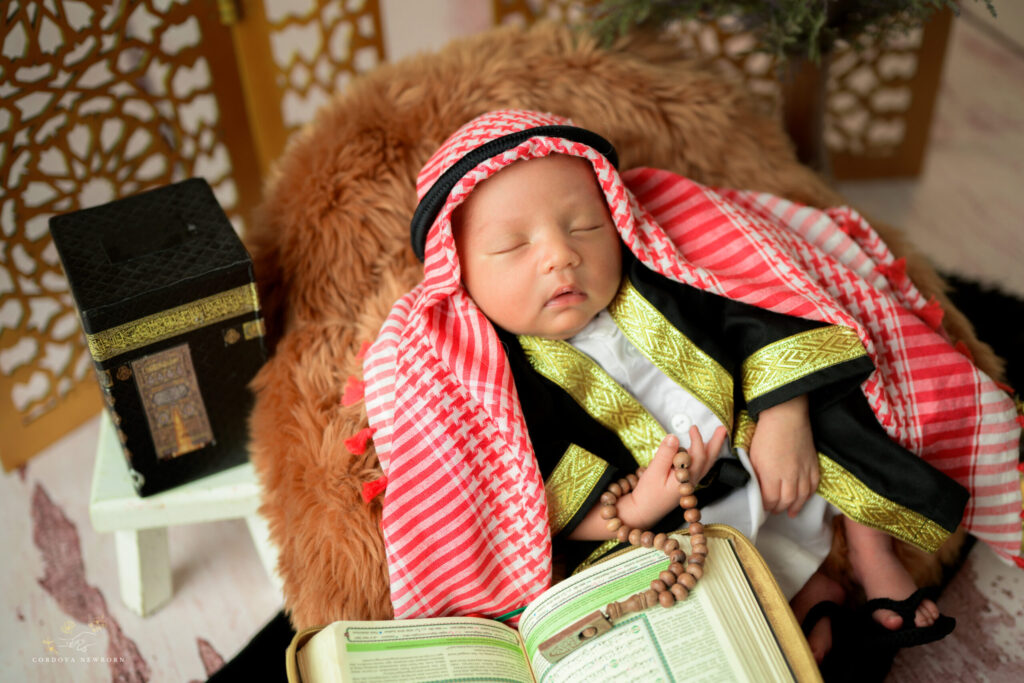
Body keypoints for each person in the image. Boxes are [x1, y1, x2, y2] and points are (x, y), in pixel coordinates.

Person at [363, 110, 1023, 658]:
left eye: (584, 226)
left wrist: (784, 416)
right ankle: (802, 600)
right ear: (460, 273)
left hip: (767, 441)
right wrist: (633, 509)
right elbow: (528, 491)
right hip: (679, 512)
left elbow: (758, 314)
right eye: (513, 246)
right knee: (676, 585)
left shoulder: (664, 276)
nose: (561, 255)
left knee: (844, 398)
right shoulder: (499, 381)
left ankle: (873, 552)